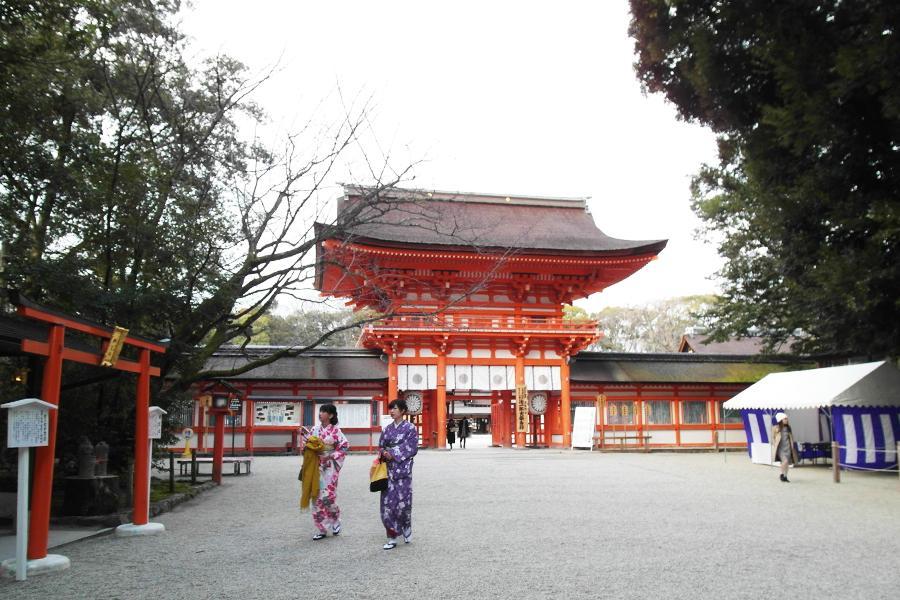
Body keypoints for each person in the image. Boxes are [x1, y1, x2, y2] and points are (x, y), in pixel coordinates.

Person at [299, 404, 349, 540]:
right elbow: (306, 445)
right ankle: (322, 528)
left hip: (330, 467)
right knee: (315, 496)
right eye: (320, 411)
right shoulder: (314, 430)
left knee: (328, 497)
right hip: (316, 467)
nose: (320, 413)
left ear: (331, 415)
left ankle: (335, 519)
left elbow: (344, 447)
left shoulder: (336, 431)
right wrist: (305, 444)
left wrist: (331, 456)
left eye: (324, 412)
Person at [378, 398, 418, 549]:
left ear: (402, 410)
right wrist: (384, 453)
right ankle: (392, 536)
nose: (392, 411)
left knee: (403, 504)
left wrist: (393, 453)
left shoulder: (410, 428)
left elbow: (412, 447)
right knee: (387, 504)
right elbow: (381, 446)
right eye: (391, 409)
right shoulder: (387, 429)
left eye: (394, 408)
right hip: (388, 471)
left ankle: (406, 526)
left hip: (403, 471)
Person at [771, 412, 798, 482]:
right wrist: (774, 444)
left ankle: (785, 476)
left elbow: (791, 437)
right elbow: (773, 438)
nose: (787, 420)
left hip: (788, 447)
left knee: (787, 463)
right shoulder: (775, 428)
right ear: (780, 420)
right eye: (785, 419)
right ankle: (783, 474)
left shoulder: (789, 428)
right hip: (780, 448)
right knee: (785, 461)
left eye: (787, 419)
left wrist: (792, 446)